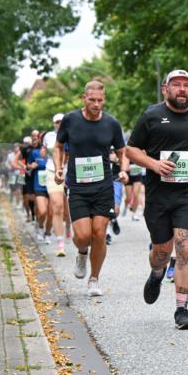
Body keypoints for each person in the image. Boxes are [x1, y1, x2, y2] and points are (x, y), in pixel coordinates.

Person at [126, 69, 188, 329]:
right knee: (161, 252)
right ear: (166, 88)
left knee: (185, 247)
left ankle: (181, 309)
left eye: (187, 85)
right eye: (177, 84)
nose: (182, 89)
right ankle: (156, 272)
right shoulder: (151, 115)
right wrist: (153, 164)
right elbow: (131, 149)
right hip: (158, 194)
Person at [54, 81, 128, 297]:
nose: (96, 104)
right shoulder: (71, 120)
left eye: (100, 100)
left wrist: (123, 170)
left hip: (103, 185)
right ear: (83, 98)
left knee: (99, 233)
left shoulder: (111, 124)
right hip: (77, 186)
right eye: (92, 100)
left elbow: (123, 152)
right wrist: (59, 169)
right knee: (83, 235)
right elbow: (58, 147)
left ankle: (94, 278)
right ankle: (81, 253)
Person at [45, 114, 68, 256]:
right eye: (57, 122)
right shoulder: (48, 136)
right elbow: (45, 152)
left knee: (68, 210)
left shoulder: (74, 133)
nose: (60, 124)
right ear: (53, 123)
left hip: (71, 171)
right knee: (57, 206)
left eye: (62, 121)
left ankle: (71, 228)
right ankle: (60, 244)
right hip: (52, 171)